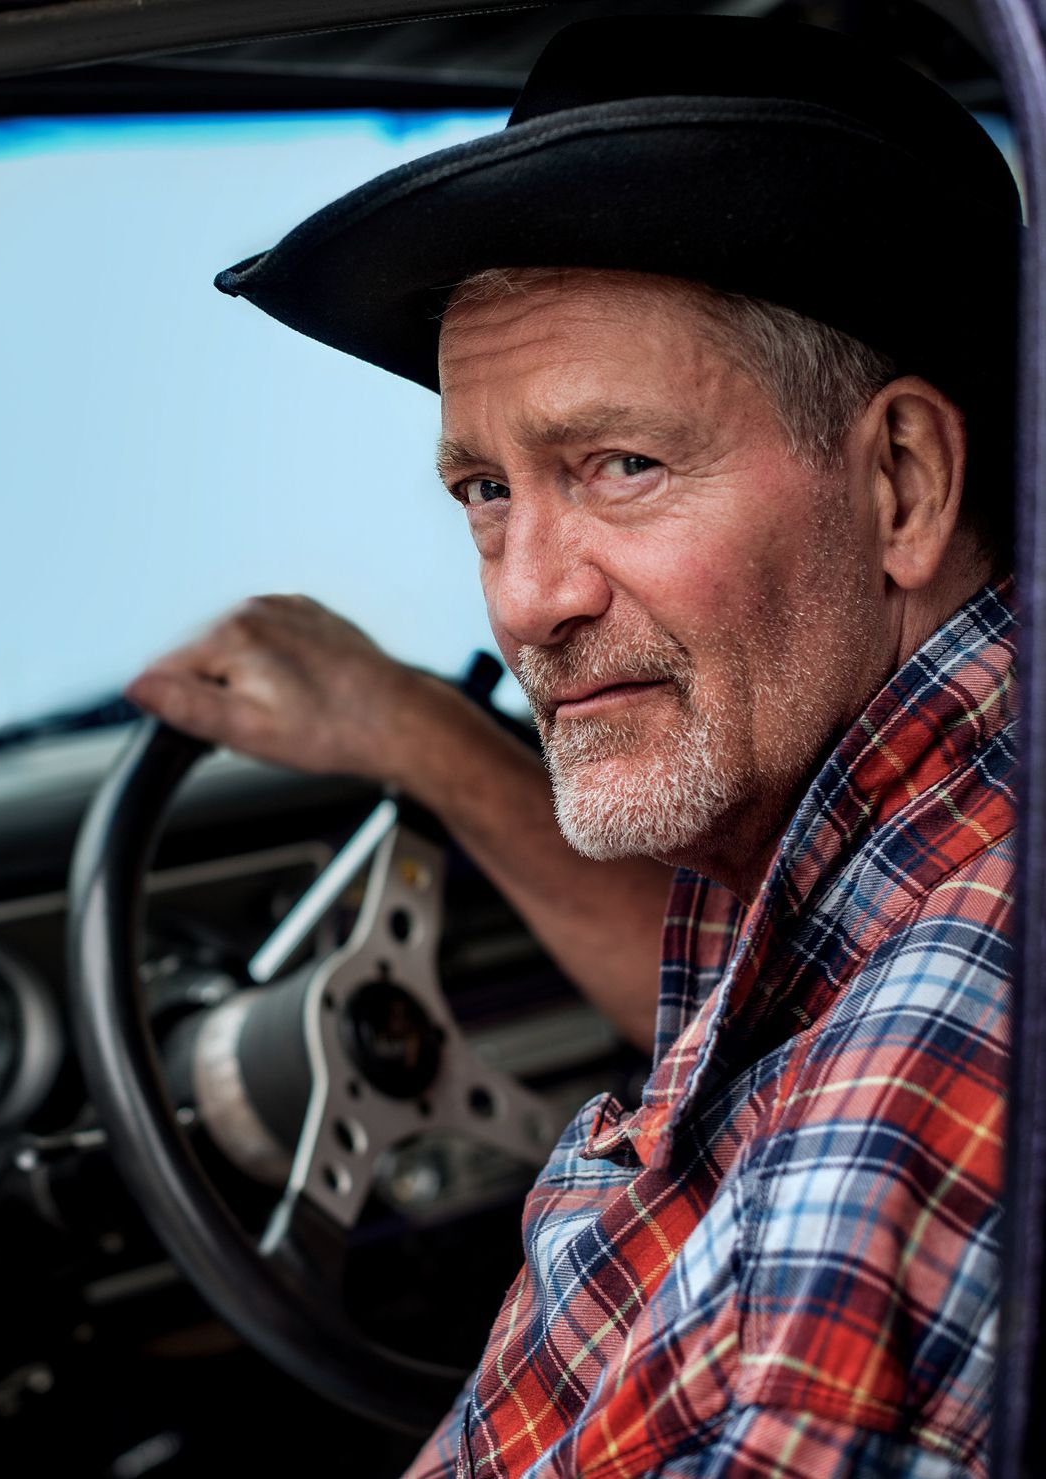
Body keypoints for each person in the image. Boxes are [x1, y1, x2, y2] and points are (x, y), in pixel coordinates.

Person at [127, 16, 1019, 1476]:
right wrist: (419, 733)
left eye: (621, 465)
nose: (526, 600)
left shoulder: (935, 1046)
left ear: (903, 484)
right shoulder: (872, 867)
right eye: (486, 491)